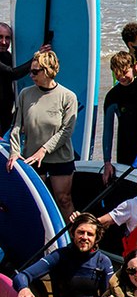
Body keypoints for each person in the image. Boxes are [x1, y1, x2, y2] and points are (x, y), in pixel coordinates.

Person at [6, 49, 77, 218]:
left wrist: (44, 150)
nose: (31, 75)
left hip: (59, 158)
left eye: (35, 71)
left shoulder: (68, 97)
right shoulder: (25, 94)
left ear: (47, 71)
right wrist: (14, 152)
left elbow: (66, 131)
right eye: (31, 70)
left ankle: (75, 238)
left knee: (64, 199)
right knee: (36, 204)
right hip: (31, 158)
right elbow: (16, 125)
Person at [101, 52, 137, 183]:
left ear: (134, 67)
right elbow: (108, 131)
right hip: (126, 148)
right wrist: (107, 162)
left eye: (125, 72)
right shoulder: (112, 96)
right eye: (117, 73)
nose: (121, 76)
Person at [0, 21, 36, 134]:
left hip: (5, 114)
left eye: (7, 38)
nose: (4, 42)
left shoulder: (7, 56)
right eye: (0, 37)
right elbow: (12, 74)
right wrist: (35, 58)